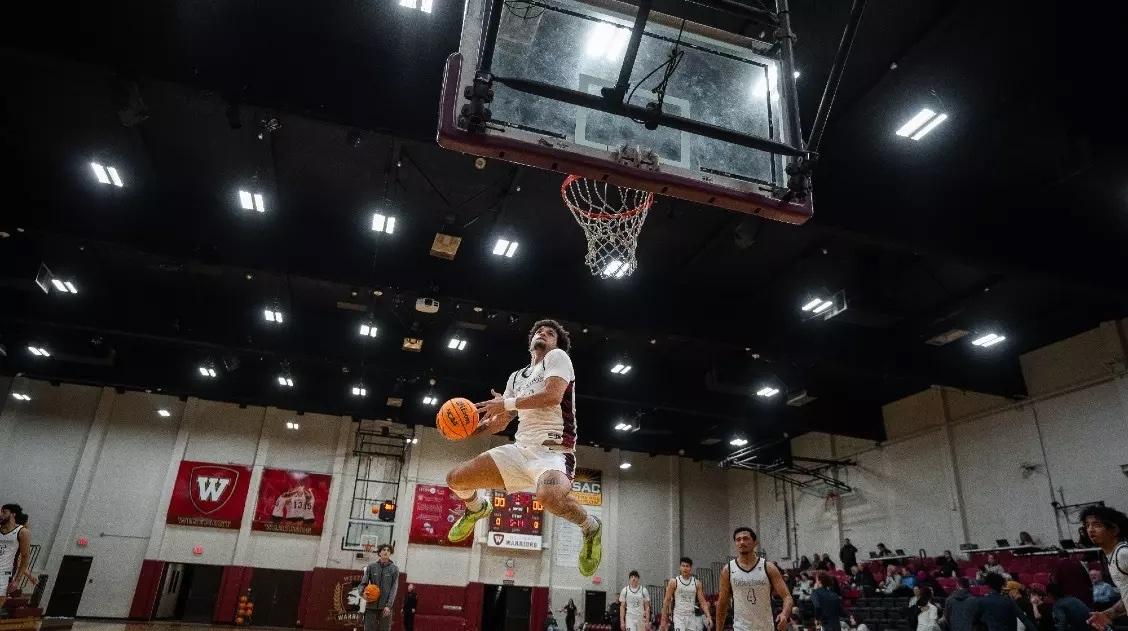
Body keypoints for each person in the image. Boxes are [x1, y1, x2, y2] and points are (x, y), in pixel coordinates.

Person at [446, 320, 602, 576]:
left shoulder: (558, 358)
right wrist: (468, 431)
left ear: (557, 343)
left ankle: (590, 526)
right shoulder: (516, 377)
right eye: (539, 331)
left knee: (549, 497)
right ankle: (477, 508)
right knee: (455, 479)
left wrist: (506, 404)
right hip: (520, 450)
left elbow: (552, 396)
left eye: (550, 333)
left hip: (553, 452)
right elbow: (500, 422)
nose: (543, 333)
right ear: (531, 340)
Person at [716, 527, 794, 631]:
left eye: (745, 538)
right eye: (738, 539)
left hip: (766, 627)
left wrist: (784, 614)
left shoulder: (768, 567)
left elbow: (787, 597)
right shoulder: (728, 570)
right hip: (741, 628)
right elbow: (722, 603)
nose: (742, 542)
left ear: (755, 542)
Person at [1079, 505, 1128, 629]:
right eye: (1087, 525)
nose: (1090, 530)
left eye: (1097, 525)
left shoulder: (1123, 554)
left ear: (1115, 530)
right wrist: (1108, 614)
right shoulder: (1113, 555)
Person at [661, 557, 714, 631]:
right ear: (680, 567)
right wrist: (663, 620)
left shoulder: (697, 583)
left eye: (687, 566)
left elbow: (703, 602)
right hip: (679, 616)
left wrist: (708, 617)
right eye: (683, 566)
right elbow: (666, 601)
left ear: (690, 568)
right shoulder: (674, 582)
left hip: (691, 616)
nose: (685, 568)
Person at [971, 573, 1036, 631]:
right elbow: (1023, 618)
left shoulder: (982, 601)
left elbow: (974, 619)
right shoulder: (1009, 601)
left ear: (988, 586)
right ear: (1002, 587)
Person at [360, 544, 399, 631]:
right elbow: (363, 584)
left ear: (390, 554)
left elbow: (394, 589)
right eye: (384, 550)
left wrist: (388, 606)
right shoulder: (371, 567)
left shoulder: (394, 569)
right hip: (371, 606)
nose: (386, 552)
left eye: (388, 550)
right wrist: (363, 593)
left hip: (385, 608)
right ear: (379, 553)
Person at [0, 504, 30, 609]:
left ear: (13, 514)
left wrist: (17, 580)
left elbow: (25, 557)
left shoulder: (22, 532)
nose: (1, 514)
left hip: (4, 572)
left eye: (4, 512)